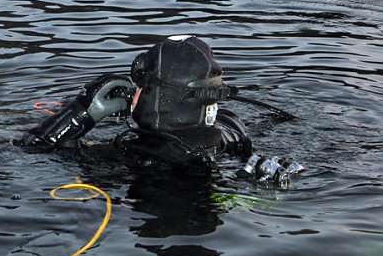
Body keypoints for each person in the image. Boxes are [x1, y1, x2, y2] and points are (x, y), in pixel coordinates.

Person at [18, 35, 253, 165]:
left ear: (158, 97)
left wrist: (81, 112)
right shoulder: (227, 137)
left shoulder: (123, 156)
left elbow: (32, 150)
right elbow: (224, 120)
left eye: (142, 84)